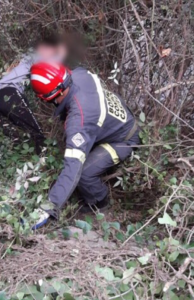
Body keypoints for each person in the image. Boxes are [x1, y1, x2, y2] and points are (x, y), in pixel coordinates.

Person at [28, 62, 140, 229]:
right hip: (119, 120)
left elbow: (72, 169)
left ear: (49, 96)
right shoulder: (80, 73)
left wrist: (48, 208)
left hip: (124, 140)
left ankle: (100, 203)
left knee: (85, 173)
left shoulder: (79, 121)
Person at [0, 41, 67, 154]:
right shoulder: (39, 58)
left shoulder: (22, 58)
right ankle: (43, 163)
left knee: (14, 138)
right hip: (9, 93)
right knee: (37, 134)